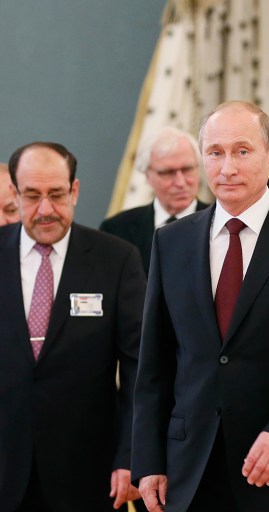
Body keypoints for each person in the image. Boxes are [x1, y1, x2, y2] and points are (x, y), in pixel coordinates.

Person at [131, 100, 269, 512]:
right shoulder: (171, 241)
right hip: (192, 469)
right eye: (215, 153)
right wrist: (149, 462)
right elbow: (155, 363)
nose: (227, 168)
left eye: (242, 151)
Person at [0, 142, 146, 511]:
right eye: (32, 196)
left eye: (56, 194)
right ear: (15, 194)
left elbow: (140, 368)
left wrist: (131, 454)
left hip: (88, 473)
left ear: (75, 191)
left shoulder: (117, 259)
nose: (45, 209)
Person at [100, 126, 210, 275]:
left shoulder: (224, 223)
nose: (180, 182)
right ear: (147, 175)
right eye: (168, 173)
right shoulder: (116, 231)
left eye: (187, 169)